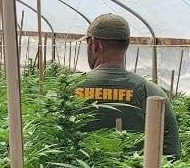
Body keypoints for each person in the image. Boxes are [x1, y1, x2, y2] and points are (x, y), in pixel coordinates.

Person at [76, 13, 181, 158]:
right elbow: (172, 155)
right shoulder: (151, 92)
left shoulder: (68, 89)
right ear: (127, 44)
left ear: (94, 44)